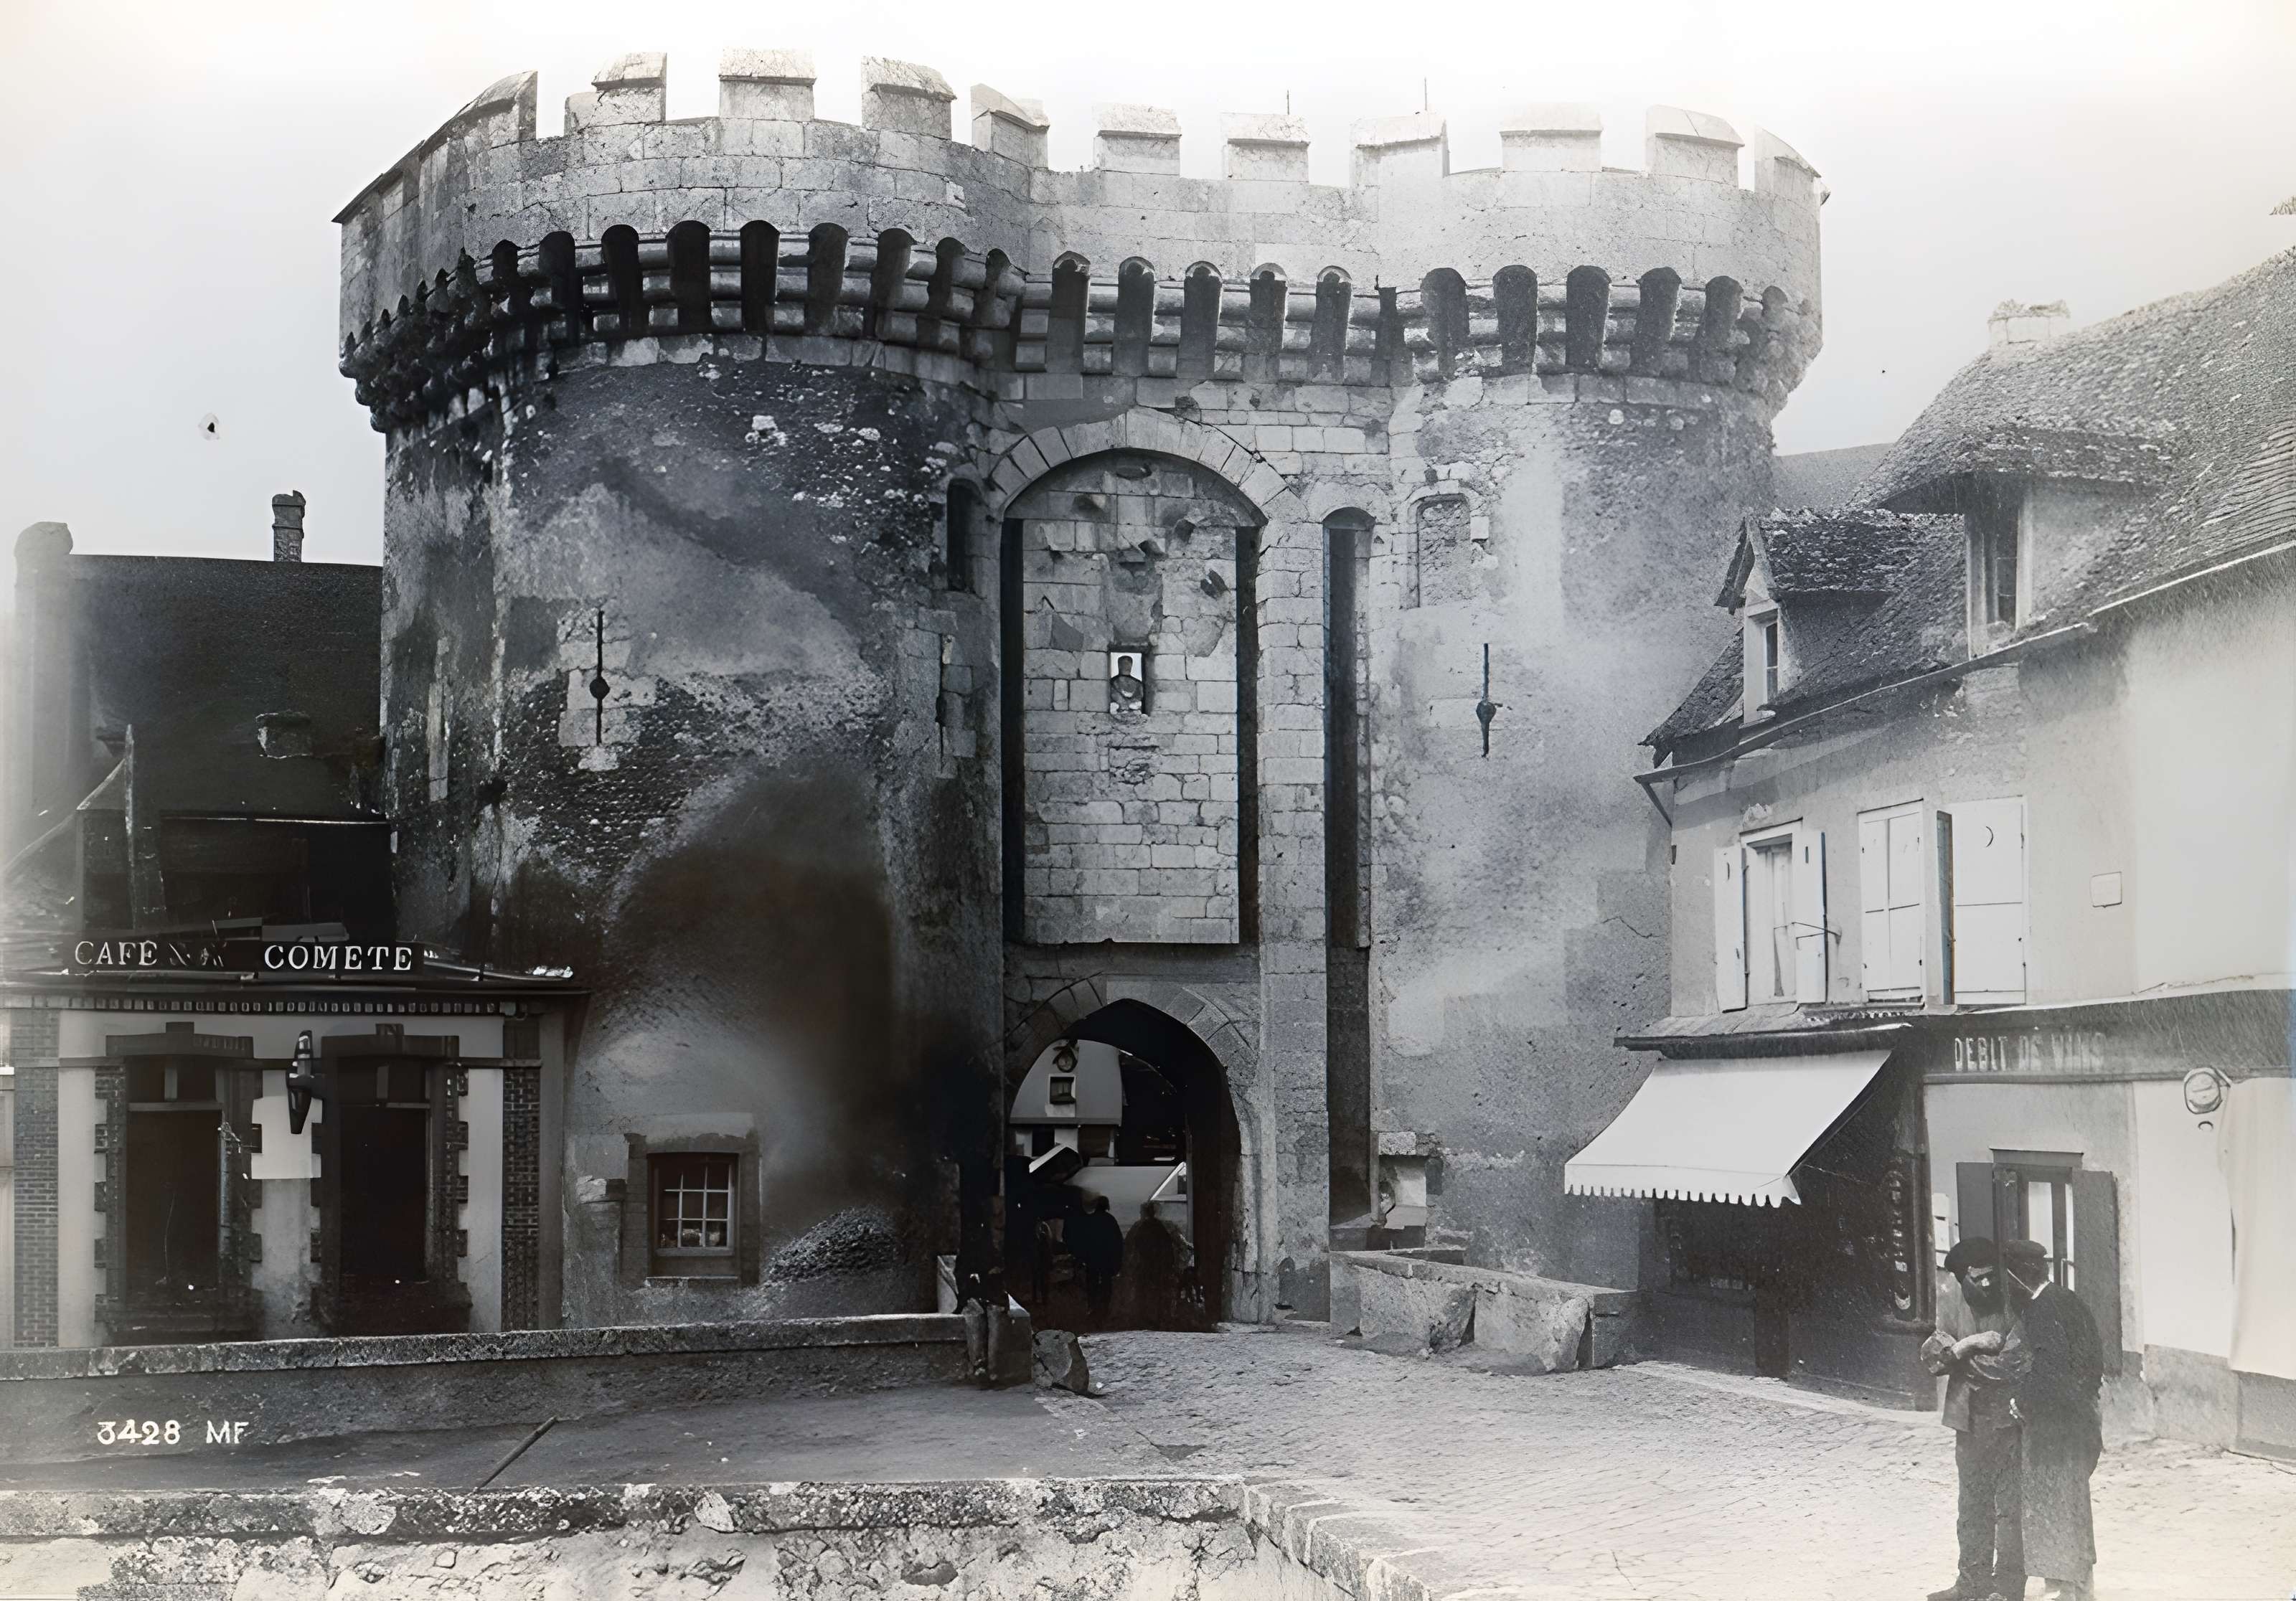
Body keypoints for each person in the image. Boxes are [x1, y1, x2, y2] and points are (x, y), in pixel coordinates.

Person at [1921, 1237, 2031, 1601]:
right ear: (1959, 1278)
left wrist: (1957, 1357)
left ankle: (2008, 1589)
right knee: (1971, 1506)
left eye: (1989, 1276)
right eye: (1976, 1279)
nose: (1985, 1284)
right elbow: (1932, 1359)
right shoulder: (1950, 1299)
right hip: (1968, 1421)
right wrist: (1970, 1345)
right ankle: (1971, 1583)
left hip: (2010, 1420)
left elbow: (2010, 1364)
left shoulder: (2014, 1299)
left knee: (2009, 1509)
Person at [2003, 1237, 2104, 1601]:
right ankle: (2079, 1585)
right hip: (2077, 1420)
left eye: (2010, 1277)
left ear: (2019, 1276)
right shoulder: (2069, 1300)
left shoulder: (2041, 1309)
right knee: (2074, 1501)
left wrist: (2023, 1401)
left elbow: (2050, 1365)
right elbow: (2094, 1361)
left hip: (2052, 1426)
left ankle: (2061, 1588)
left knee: (2051, 1501)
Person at [1121, 1200, 1185, 1330]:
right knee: (1158, 1293)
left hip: (1147, 1266)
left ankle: (1146, 1318)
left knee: (1145, 1292)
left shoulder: (1141, 1227)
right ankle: (1157, 1318)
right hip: (1158, 1266)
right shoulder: (1161, 1228)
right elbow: (1168, 1248)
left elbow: (1132, 1247)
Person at [1070, 1194, 1126, 1326]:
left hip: (1093, 1260)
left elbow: (1083, 1241)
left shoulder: (1090, 1221)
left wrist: (1081, 1258)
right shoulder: (1111, 1221)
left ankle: (1093, 1308)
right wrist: (1117, 1262)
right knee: (1106, 1285)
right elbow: (1118, 1243)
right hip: (1106, 1260)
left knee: (1092, 1284)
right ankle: (1104, 1310)